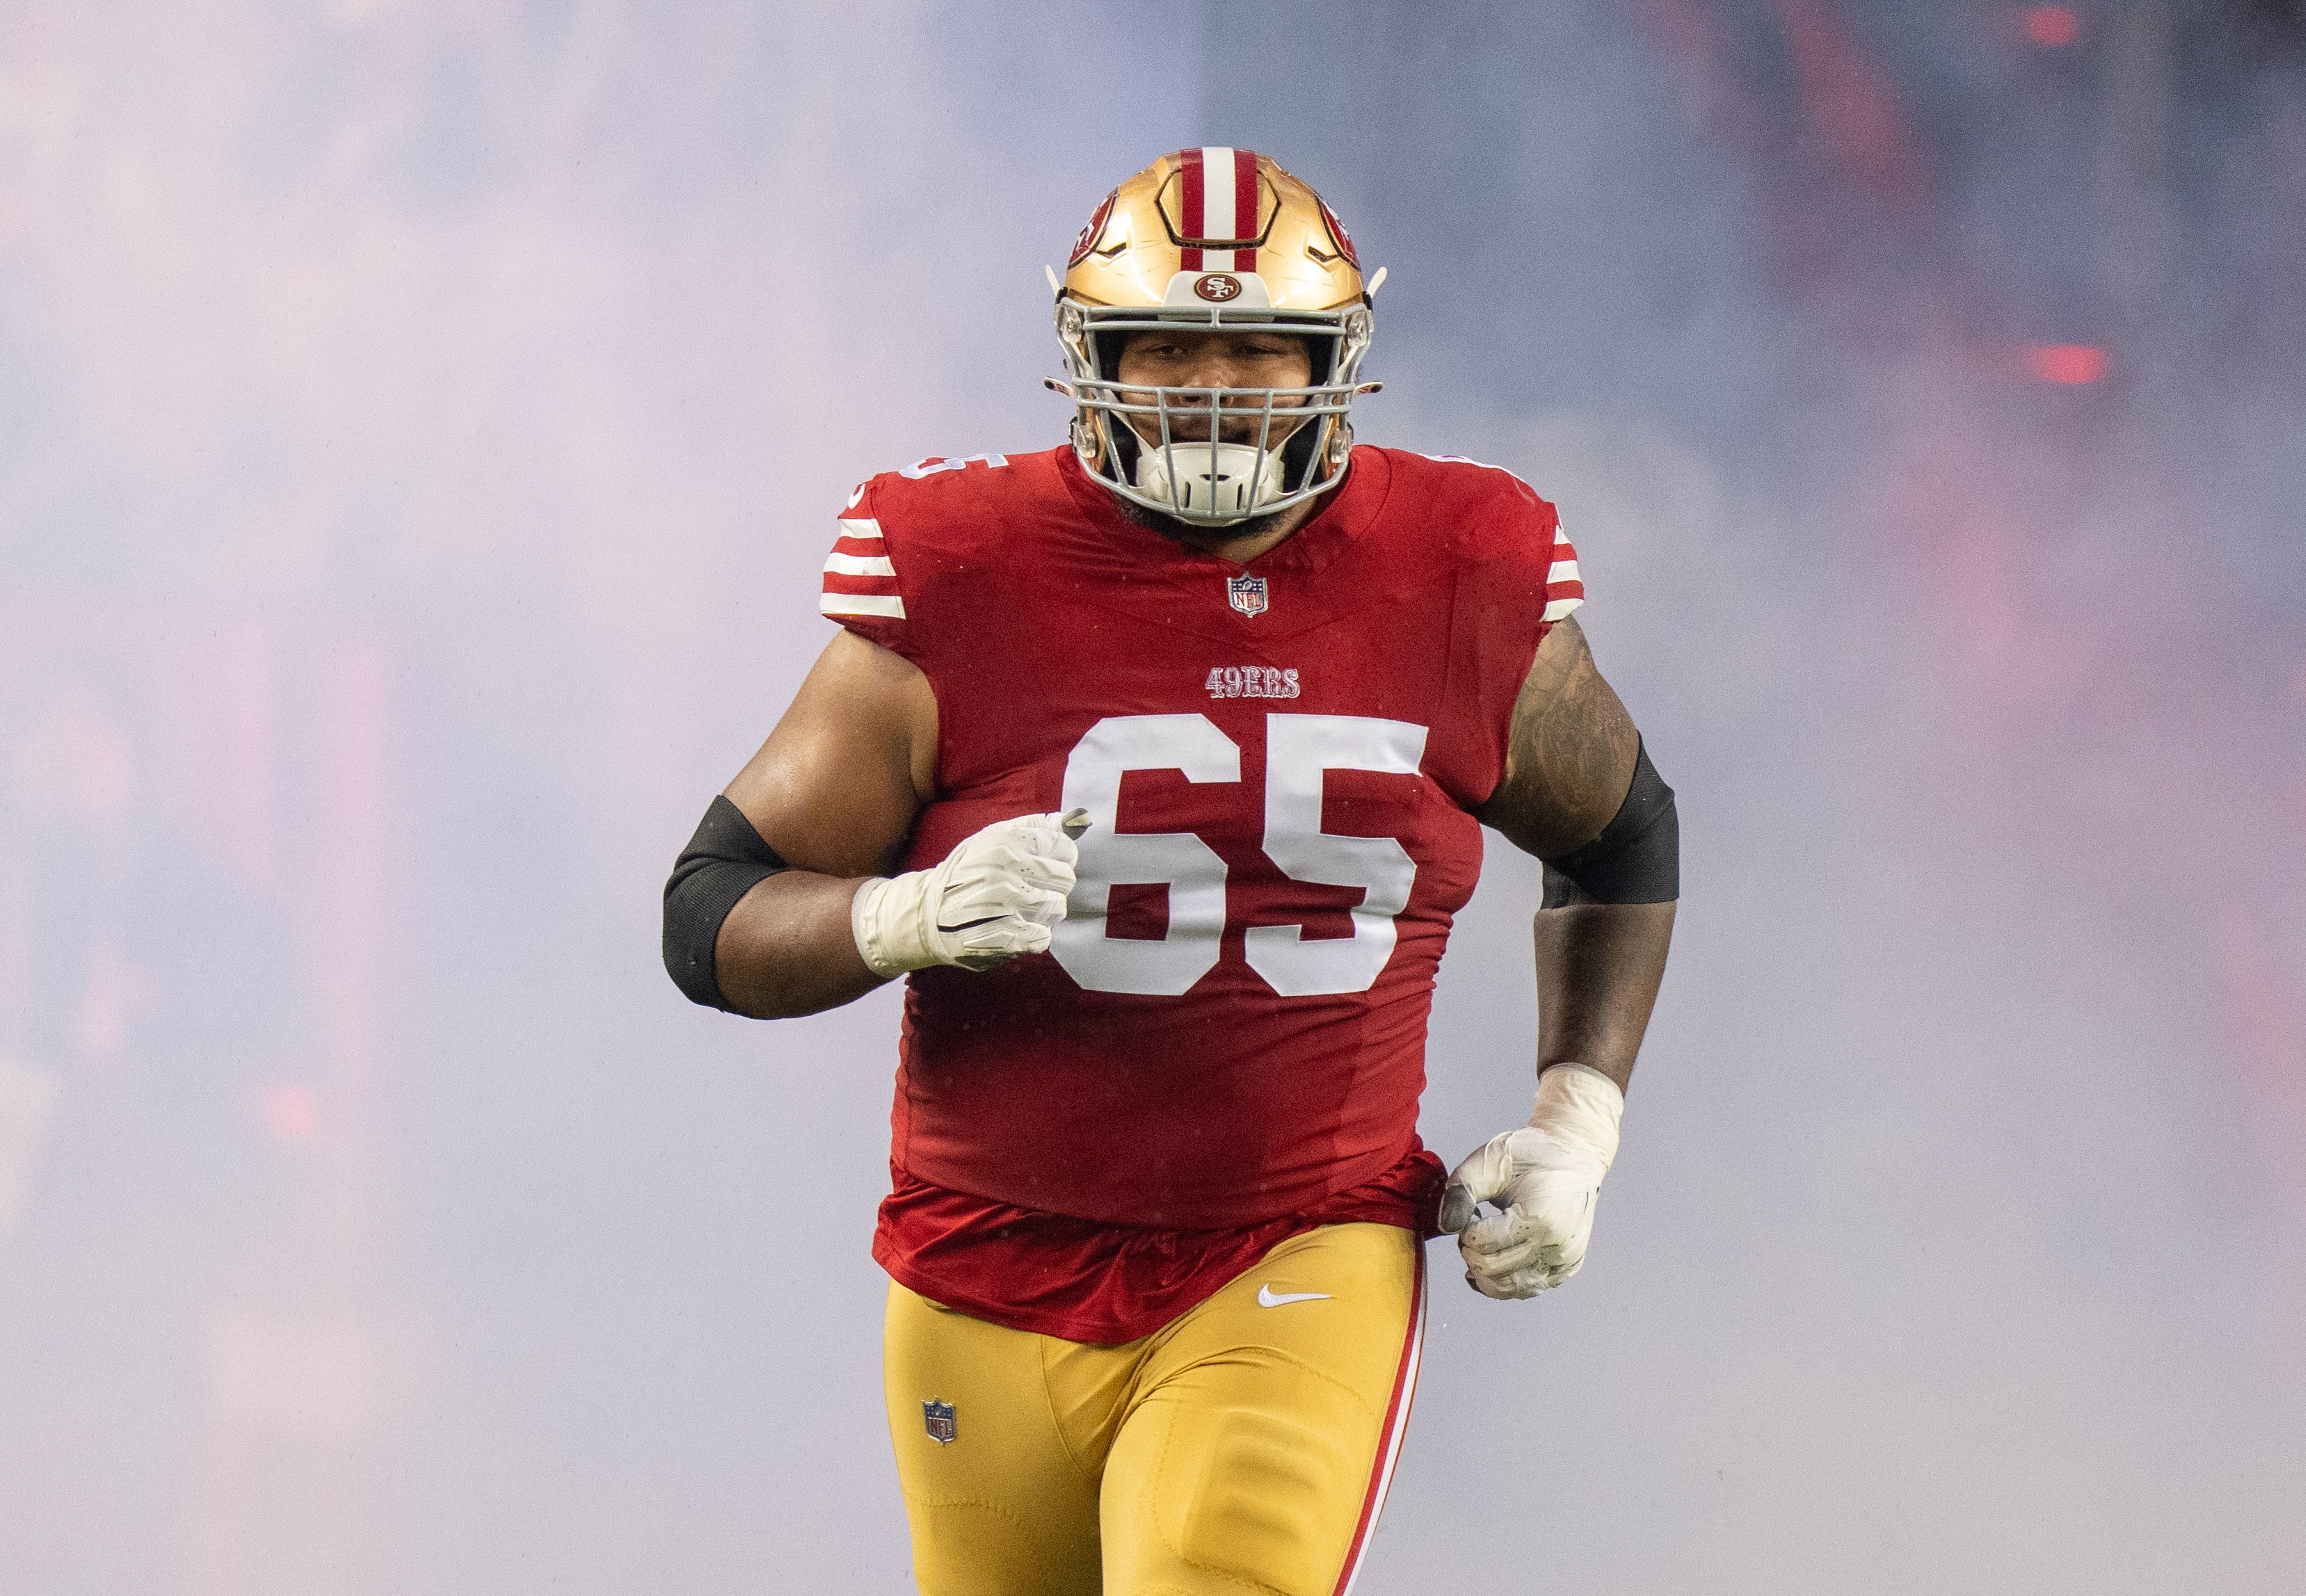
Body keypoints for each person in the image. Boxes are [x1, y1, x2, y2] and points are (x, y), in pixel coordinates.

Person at [662, 147, 1677, 1596]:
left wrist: (1575, 1123)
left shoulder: (1461, 565)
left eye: (1258, 348)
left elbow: (1618, 835)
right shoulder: (958, 564)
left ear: (1337, 362)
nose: (1210, 388)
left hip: (1296, 1241)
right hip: (980, 1261)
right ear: (1090, 360)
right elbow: (707, 906)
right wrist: (892, 916)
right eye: (1166, 347)